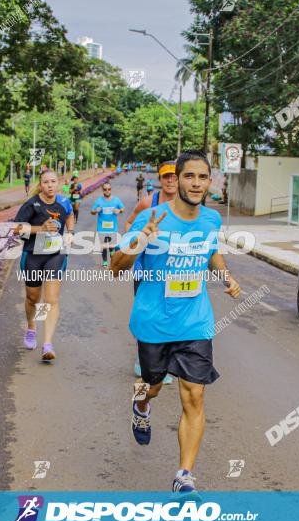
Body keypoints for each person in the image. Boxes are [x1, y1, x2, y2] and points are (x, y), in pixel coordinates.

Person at [111, 150, 241, 498]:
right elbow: (115, 267)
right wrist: (141, 239)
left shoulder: (211, 220)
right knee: (150, 385)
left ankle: (184, 475)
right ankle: (140, 406)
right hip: (153, 321)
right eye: (189, 177)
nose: (196, 183)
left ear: (209, 182)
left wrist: (226, 276)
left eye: (202, 177)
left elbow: (211, 249)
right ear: (176, 181)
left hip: (195, 321)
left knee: (194, 395)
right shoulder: (152, 217)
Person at [12, 169, 75, 362]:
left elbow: (70, 215)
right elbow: (16, 229)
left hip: (54, 255)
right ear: (40, 185)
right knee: (32, 298)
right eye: (46, 182)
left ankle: (47, 344)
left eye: (53, 181)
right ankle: (32, 327)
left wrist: (70, 232)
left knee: (51, 299)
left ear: (58, 183)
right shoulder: (31, 205)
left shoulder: (64, 202)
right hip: (32, 255)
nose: (50, 185)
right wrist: (41, 229)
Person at [124, 162, 178, 379]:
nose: (171, 180)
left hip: (172, 270)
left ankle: (163, 361)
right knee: (147, 314)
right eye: (166, 177)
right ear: (160, 180)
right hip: (145, 269)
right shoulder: (149, 202)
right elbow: (128, 223)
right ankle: (143, 357)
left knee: (169, 312)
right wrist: (140, 240)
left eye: (174, 176)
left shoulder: (187, 205)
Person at [90, 181, 124, 268]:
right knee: (104, 246)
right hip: (102, 228)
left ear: (111, 189)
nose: (107, 191)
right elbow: (92, 211)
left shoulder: (116, 200)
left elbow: (123, 208)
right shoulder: (99, 201)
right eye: (105, 189)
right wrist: (95, 211)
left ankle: (112, 261)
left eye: (109, 189)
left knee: (112, 247)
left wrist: (119, 211)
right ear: (102, 190)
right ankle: (105, 262)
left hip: (113, 228)